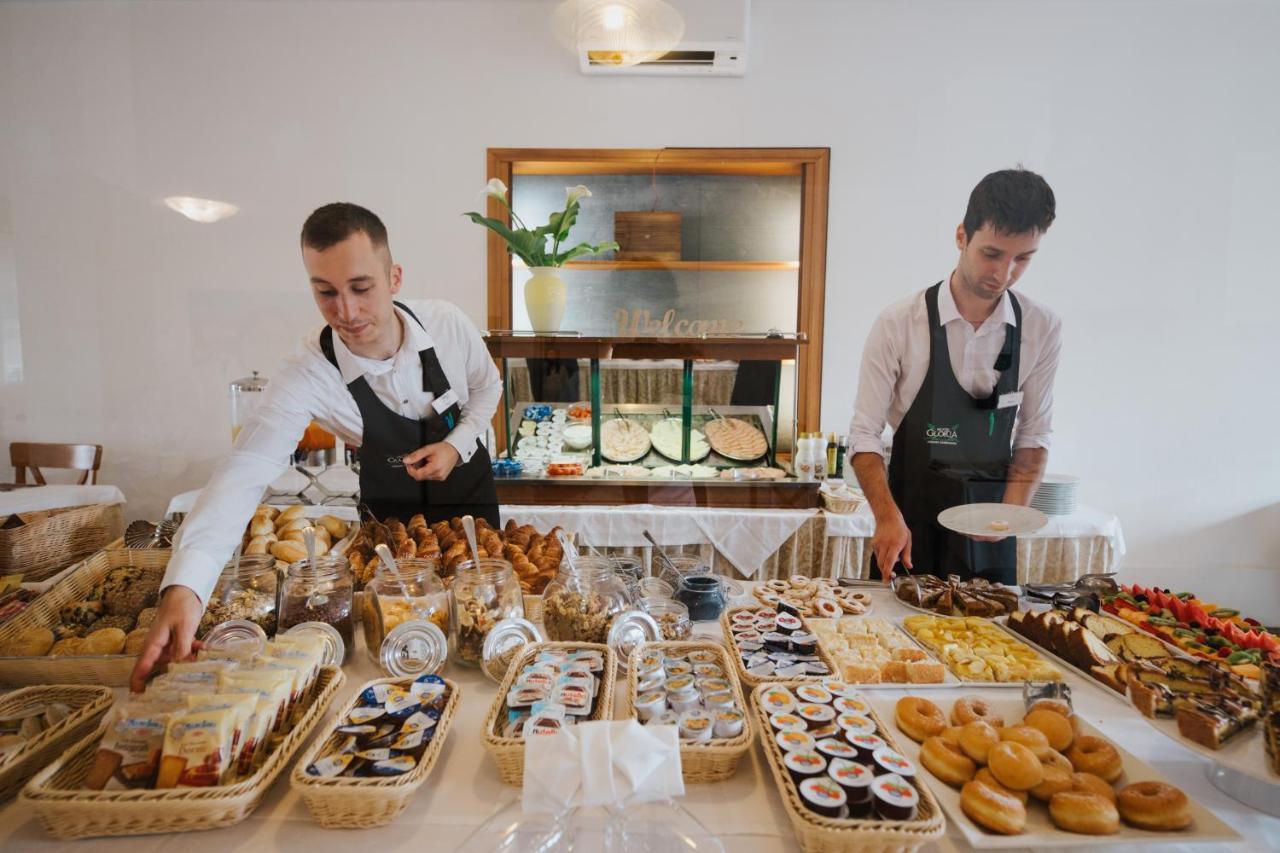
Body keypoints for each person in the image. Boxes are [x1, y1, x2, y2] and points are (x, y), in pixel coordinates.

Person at [130, 202, 502, 689]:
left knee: (482, 643)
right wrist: (186, 587)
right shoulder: (307, 372)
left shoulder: (449, 326)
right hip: (387, 533)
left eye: (361, 288)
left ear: (394, 277)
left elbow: (488, 387)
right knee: (396, 662)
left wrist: (455, 444)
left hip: (473, 511)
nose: (346, 312)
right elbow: (245, 469)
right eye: (325, 292)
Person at [848, 168, 1061, 585]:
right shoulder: (899, 323)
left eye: (1022, 259)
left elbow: (1034, 437)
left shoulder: (1041, 327)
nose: (1003, 274)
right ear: (962, 236)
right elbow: (863, 436)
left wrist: (1008, 518)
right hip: (907, 526)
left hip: (992, 532)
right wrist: (886, 517)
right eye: (992, 254)